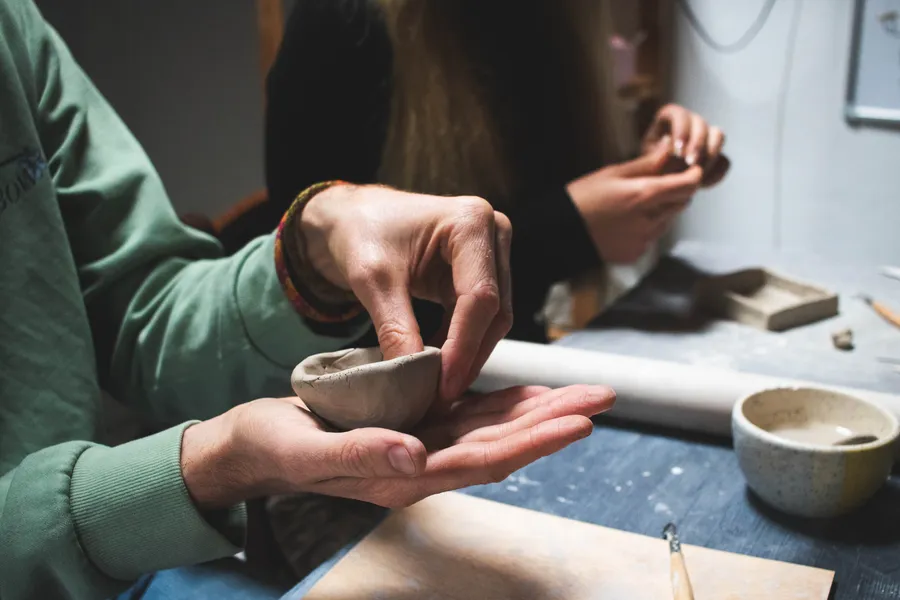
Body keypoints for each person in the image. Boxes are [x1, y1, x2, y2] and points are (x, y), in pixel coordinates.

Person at [0, 2, 617, 599]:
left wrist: (312, 253)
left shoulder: (13, 24)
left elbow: (141, 306)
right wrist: (203, 469)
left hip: (115, 552)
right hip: (89, 544)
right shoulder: (342, 26)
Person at [216, 0, 731, 343]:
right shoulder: (341, 23)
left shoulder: (546, 18)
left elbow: (547, 196)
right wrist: (573, 229)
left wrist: (645, 168)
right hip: (377, 397)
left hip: (507, 365)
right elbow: (310, 297)